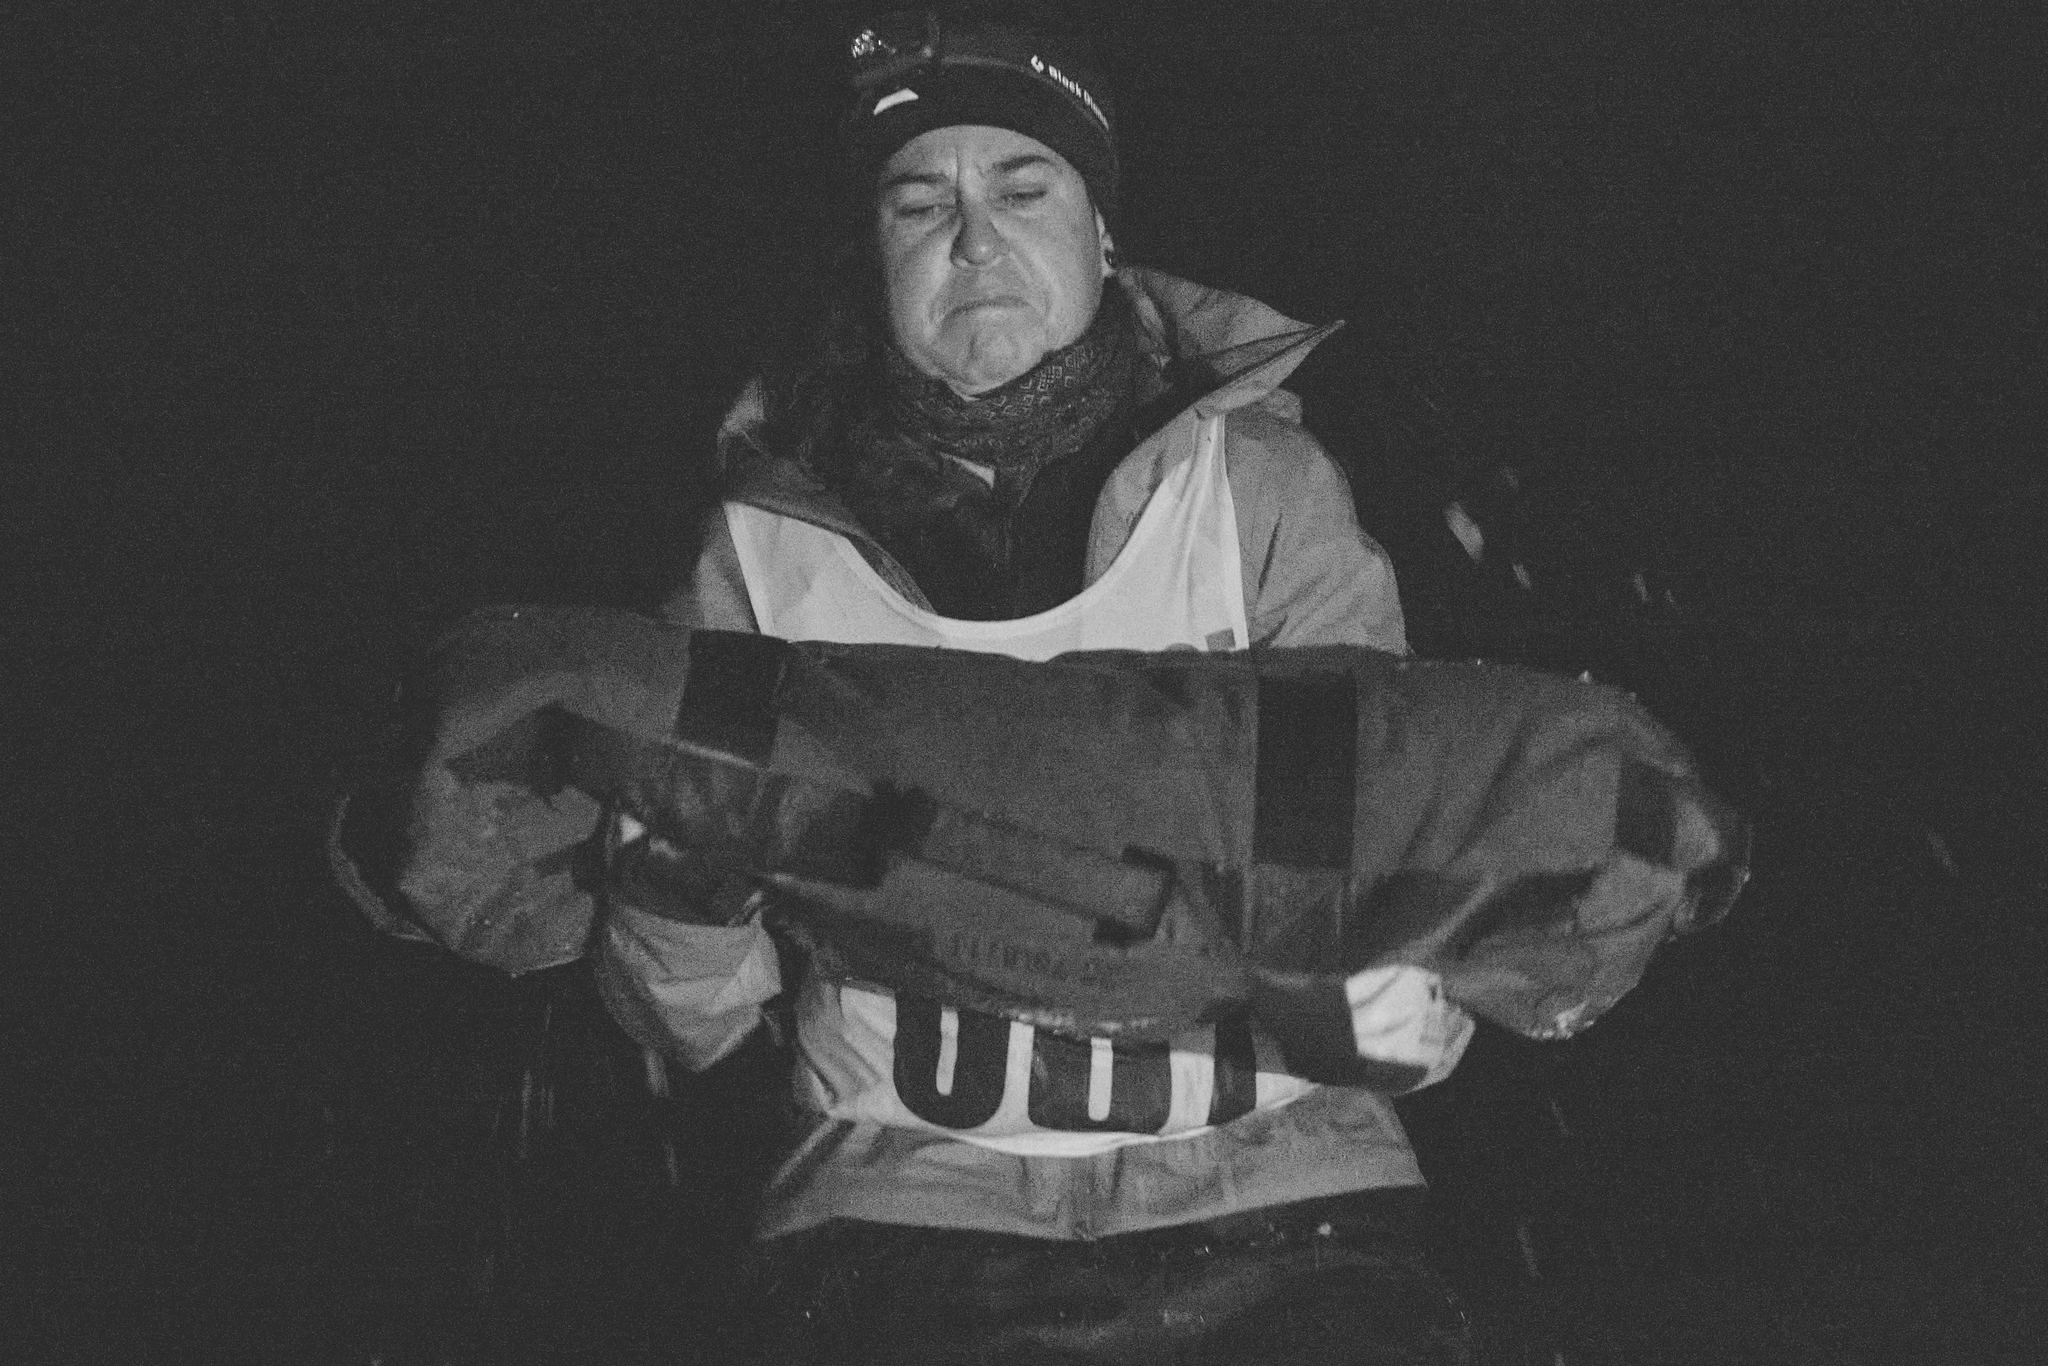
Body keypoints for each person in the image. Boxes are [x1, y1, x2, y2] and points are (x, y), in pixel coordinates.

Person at [591, 8, 1478, 1362]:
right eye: (917, 200)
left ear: (1101, 230)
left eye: (1024, 185)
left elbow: (1413, 851)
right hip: (899, 1199)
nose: (972, 238)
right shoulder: (758, 546)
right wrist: (677, 895)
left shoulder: (1262, 492)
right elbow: (690, 1006)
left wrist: (1410, 995)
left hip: (1278, 1192)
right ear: (871, 250)